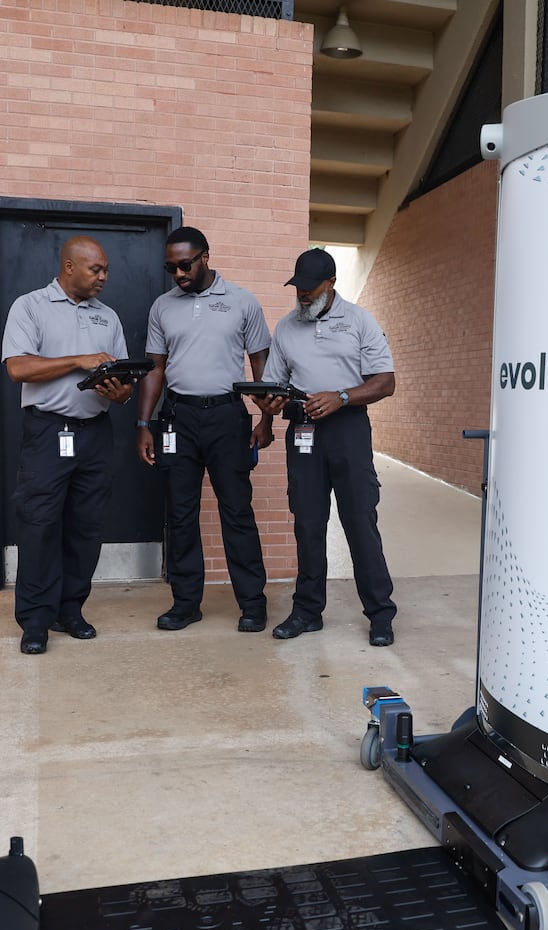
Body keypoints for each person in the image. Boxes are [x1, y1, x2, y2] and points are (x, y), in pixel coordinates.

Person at [252, 248, 397, 647]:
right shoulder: (285, 328)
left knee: (360, 522)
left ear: (331, 284)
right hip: (302, 431)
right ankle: (307, 611)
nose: (302, 295)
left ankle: (380, 614)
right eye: (297, 287)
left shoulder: (359, 322)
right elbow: (275, 382)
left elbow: (385, 381)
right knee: (308, 523)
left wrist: (343, 397)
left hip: (348, 429)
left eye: (309, 288)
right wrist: (267, 412)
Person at [135, 227, 273, 633]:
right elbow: (155, 368)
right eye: (170, 267)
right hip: (178, 419)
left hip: (228, 418)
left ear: (205, 256)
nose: (177, 273)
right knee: (180, 514)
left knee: (237, 512)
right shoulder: (163, 307)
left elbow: (261, 362)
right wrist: (145, 424)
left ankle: (252, 603)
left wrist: (266, 418)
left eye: (185, 264)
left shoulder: (242, 301)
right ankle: (185, 603)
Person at [2, 236, 133, 655]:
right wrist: (78, 360)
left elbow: (125, 384)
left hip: (95, 433)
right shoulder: (30, 306)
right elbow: (19, 367)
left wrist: (120, 393)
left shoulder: (107, 316)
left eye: (106, 270)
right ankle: (36, 621)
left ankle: (70, 610)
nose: (103, 278)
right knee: (39, 525)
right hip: (47, 433)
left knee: (86, 526)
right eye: (96, 270)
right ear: (69, 267)